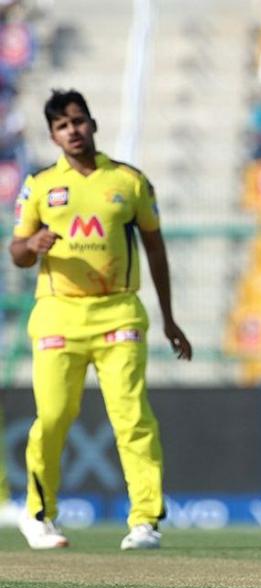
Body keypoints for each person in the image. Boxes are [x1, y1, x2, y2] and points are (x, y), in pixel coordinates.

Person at [8, 89, 192, 550]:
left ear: (93, 123)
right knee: (52, 417)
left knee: (132, 417)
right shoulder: (40, 184)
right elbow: (17, 252)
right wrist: (32, 247)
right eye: (62, 126)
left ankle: (145, 521)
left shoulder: (128, 182)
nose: (73, 131)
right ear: (53, 136)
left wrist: (169, 318)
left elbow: (155, 248)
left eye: (78, 121)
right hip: (57, 315)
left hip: (118, 312)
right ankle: (39, 515)